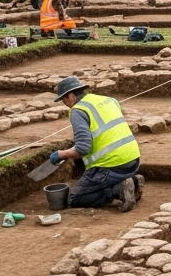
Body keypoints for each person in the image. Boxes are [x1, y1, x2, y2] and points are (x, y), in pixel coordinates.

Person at [49, 76, 143, 211]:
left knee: (74, 199)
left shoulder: (77, 110)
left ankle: (118, 189)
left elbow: (82, 148)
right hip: (133, 160)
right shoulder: (108, 100)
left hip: (112, 165)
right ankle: (133, 181)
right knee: (81, 163)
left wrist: (61, 154)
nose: (63, 102)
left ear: (70, 95)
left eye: (63, 98)